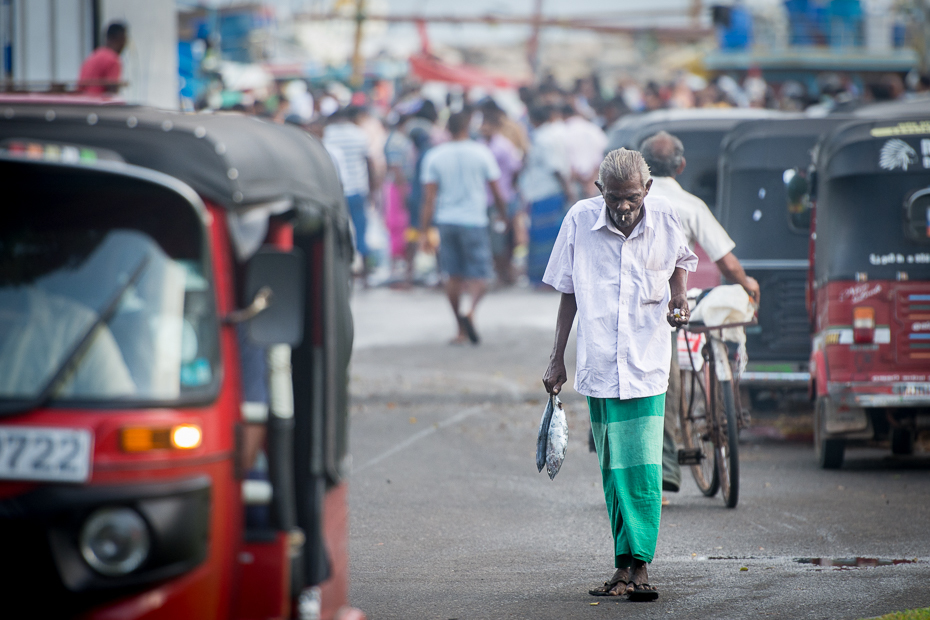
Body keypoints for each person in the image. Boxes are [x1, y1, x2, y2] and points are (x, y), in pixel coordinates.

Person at [542, 148, 697, 601]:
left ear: (647, 189)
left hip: (647, 363)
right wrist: (557, 358)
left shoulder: (665, 216)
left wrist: (679, 299)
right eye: (614, 198)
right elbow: (567, 293)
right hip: (600, 367)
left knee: (643, 466)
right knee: (613, 469)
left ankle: (641, 566)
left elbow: (682, 262)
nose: (623, 207)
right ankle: (621, 566)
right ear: (599, 192)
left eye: (631, 197)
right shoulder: (578, 221)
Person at [638, 131, 760, 496]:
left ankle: (658, 457)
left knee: (658, 375)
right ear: (681, 166)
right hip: (678, 300)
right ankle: (672, 458)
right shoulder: (690, 205)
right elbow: (727, 261)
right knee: (674, 367)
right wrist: (748, 285)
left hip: (637, 301)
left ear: (642, 165)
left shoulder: (626, 199)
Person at [419, 110, 508, 345]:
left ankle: (459, 328)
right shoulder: (481, 153)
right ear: (467, 127)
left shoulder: (434, 156)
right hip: (474, 221)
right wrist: (503, 215)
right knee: (481, 274)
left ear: (447, 129)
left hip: (446, 221)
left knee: (452, 275)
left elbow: (428, 199)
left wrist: (423, 231)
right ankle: (471, 311)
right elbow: (497, 191)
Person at [519, 105, 572, 286]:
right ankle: (543, 278)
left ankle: (546, 279)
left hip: (547, 193)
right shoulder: (544, 136)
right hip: (543, 192)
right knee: (544, 237)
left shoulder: (543, 139)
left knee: (546, 239)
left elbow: (555, 167)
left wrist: (567, 190)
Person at [324, 106, 375, 279]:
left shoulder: (328, 134)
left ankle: (344, 269)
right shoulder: (358, 134)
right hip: (358, 188)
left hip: (336, 190)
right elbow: (369, 162)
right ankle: (365, 270)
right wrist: (373, 188)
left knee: (340, 230)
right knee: (361, 229)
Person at [480, 108, 523, 285]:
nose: (484, 128)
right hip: (486, 199)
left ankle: (505, 273)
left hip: (503, 198)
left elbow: (516, 169)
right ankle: (500, 272)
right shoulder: (480, 145)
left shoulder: (504, 146)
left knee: (504, 237)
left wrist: (509, 189)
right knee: (492, 238)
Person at [78, 22, 127, 94]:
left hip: (83, 102)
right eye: (124, 40)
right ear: (119, 39)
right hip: (98, 103)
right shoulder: (113, 60)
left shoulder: (93, 56)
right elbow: (112, 93)